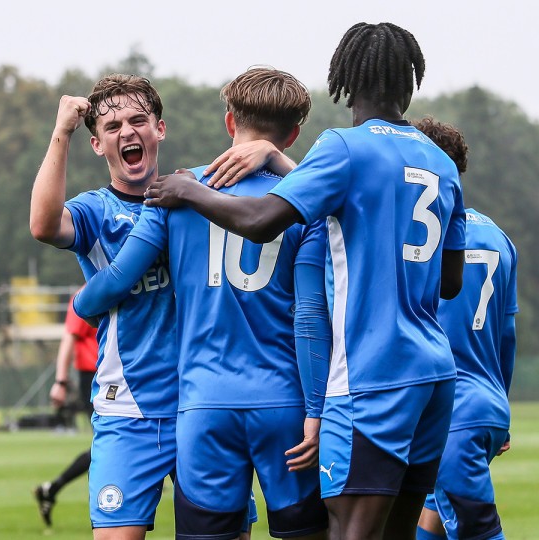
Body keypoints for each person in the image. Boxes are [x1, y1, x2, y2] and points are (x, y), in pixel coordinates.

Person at [143, 22, 466, 540]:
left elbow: (261, 220)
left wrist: (189, 190)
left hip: (369, 374)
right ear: (409, 84)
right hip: (433, 374)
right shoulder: (440, 161)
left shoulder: (342, 146)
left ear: (345, 81)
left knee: (349, 531)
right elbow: (450, 282)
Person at [75, 67, 329, 540]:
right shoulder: (305, 205)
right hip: (285, 406)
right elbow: (312, 318)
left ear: (229, 123)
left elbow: (117, 281)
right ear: (293, 134)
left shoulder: (176, 190)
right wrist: (317, 408)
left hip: (204, 407)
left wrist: (83, 302)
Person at [28, 74, 180, 539]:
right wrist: (62, 131)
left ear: (160, 129)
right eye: (112, 127)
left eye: (138, 120)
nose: (127, 132)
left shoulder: (192, 201)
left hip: (198, 405)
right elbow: (43, 224)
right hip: (125, 412)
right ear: (98, 144)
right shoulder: (95, 210)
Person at [411, 118, 518, 540]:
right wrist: (500, 405)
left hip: (445, 410)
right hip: (487, 405)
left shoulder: (414, 235)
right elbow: (507, 337)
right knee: (429, 516)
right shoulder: (499, 238)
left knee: (475, 530)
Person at [33, 291, 99, 528]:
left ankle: (51, 489)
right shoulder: (85, 295)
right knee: (107, 444)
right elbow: (69, 338)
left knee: (110, 444)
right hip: (95, 378)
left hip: (122, 374)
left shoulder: (124, 281)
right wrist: (60, 382)